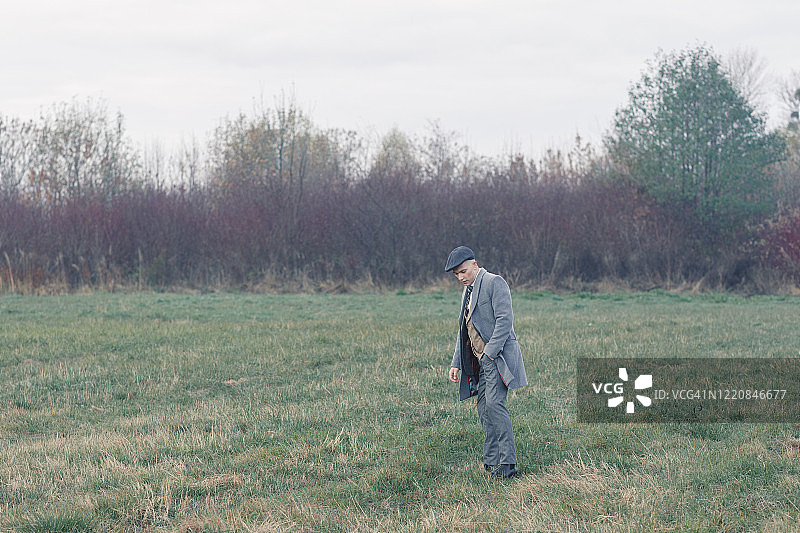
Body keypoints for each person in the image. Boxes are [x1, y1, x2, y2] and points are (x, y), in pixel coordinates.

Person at [445, 246, 527, 479]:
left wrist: (490, 354)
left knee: (494, 406)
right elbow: (464, 330)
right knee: (483, 408)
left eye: (463, 271)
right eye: (456, 274)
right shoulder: (467, 290)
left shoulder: (494, 282)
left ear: (474, 264)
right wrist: (456, 363)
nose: (461, 277)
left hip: (495, 358)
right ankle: (492, 461)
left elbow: (504, 320)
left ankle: (508, 464)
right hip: (477, 361)